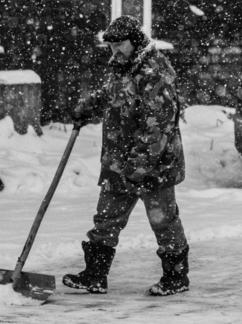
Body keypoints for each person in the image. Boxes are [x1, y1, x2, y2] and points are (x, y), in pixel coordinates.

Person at [63, 15, 190, 296]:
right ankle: (94, 275)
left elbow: (159, 125)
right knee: (106, 218)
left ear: (136, 41)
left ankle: (176, 278)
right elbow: (112, 94)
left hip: (154, 165)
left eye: (120, 44)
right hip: (120, 161)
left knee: (163, 221)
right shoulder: (123, 68)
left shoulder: (153, 73)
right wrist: (88, 106)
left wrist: (137, 166)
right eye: (111, 46)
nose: (115, 51)